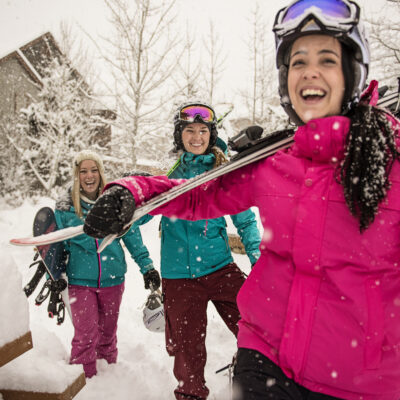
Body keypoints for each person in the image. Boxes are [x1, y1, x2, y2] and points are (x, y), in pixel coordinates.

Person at [82, 0, 400, 398]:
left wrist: (250, 254)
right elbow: (188, 198)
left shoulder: (389, 161)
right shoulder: (272, 163)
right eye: (298, 61)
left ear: (355, 70)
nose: (310, 71)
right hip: (262, 355)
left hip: (360, 380)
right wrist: (132, 192)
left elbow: (246, 223)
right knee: (187, 353)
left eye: (327, 59)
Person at [129, 103, 261, 399]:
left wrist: (257, 259)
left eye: (203, 130)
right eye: (190, 130)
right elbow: (141, 218)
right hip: (179, 278)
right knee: (187, 353)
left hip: (220, 269)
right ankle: (191, 395)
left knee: (257, 327)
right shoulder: (170, 176)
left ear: (211, 135)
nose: (197, 137)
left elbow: (245, 220)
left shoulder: (222, 173)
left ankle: (252, 377)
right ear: (180, 135)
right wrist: (129, 204)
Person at [54, 150, 160, 379]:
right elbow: (56, 248)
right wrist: (53, 279)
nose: (89, 176)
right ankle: (84, 381)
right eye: (83, 171)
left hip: (113, 279)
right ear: (76, 175)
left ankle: (109, 379)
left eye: (94, 170)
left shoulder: (114, 202)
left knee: (108, 334)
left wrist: (148, 268)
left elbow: (132, 238)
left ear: (100, 173)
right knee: (85, 336)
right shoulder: (65, 209)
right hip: (80, 281)